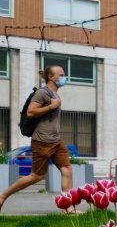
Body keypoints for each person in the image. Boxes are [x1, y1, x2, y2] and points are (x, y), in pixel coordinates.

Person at [0, 65, 77, 214]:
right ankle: (3, 196)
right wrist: (51, 106)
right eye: (60, 75)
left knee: (67, 169)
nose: (64, 77)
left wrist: (54, 104)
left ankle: (68, 208)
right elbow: (30, 112)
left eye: (63, 74)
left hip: (56, 141)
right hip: (42, 142)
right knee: (36, 176)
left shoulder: (55, 94)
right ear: (51, 77)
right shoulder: (42, 93)